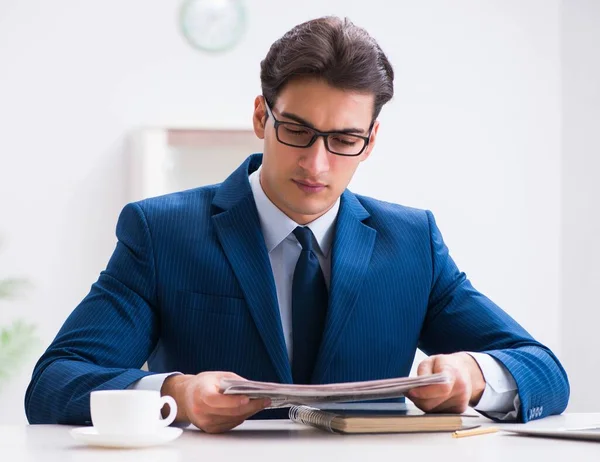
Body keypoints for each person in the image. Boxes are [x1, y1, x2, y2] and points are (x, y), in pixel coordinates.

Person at [25, 16, 569, 434]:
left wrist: (474, 378)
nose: (317, 164)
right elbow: (56, 381)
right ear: (262, 116)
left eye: (344, 140)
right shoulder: (161, 231)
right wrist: (177, 393)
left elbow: (544, 370)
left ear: (371, 141)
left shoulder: (412, 243)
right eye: (297, 131)